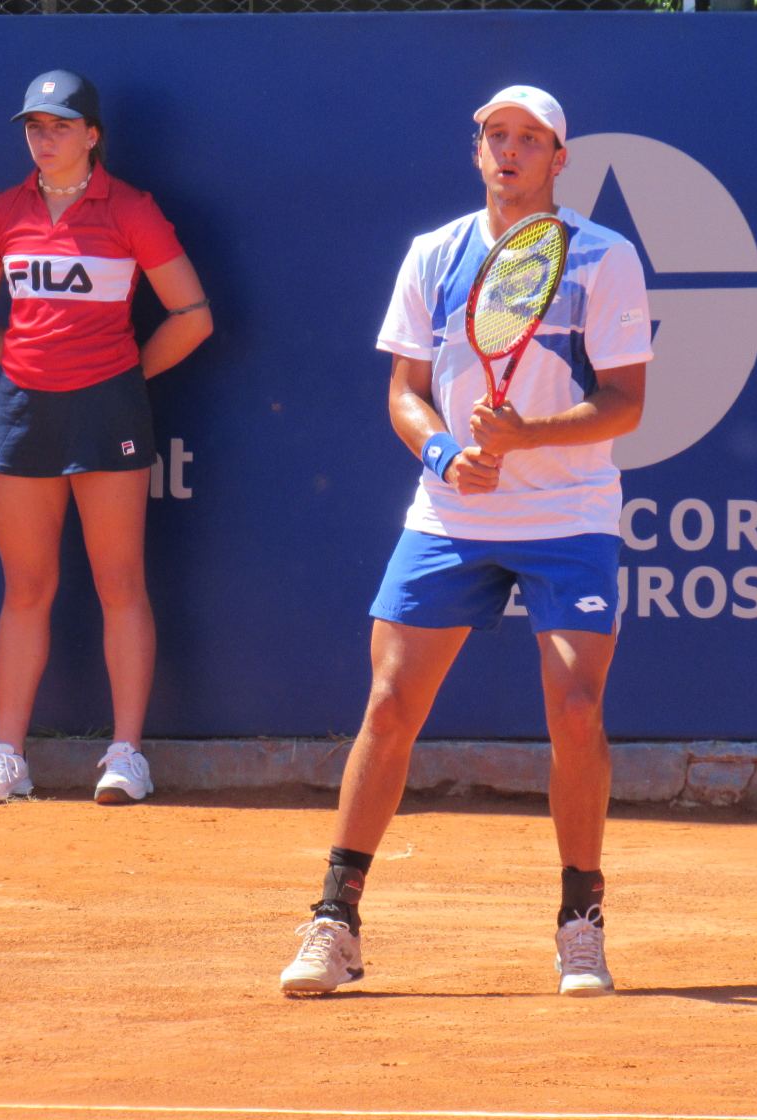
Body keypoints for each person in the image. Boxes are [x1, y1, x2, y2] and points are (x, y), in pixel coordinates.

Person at [278, 85, 653, 997]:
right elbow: (405, 393)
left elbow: (626, 403)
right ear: (476, 150)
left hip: (568, 514)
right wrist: (447, 453)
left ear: (561, 159)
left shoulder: (605, 259)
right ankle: (335, 919)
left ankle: (580, 920)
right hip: (451, 513)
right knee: (392, 703)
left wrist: (529, 435)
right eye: (497, 136)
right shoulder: (433, 255)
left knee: (574, 709)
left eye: (531, 139)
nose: (511, 151)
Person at [0, 69, 213, 806]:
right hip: (24, 413)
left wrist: (121, 373)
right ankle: (8, 758)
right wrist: (33, 366)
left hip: (109, 413)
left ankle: (126, 754)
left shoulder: (131, 209)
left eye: (60, 126)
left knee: (119, 582)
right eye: (35, 127)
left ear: (92, 135)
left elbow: (192, 314)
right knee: (27, 588)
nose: (45, 139)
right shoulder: (3, 212)